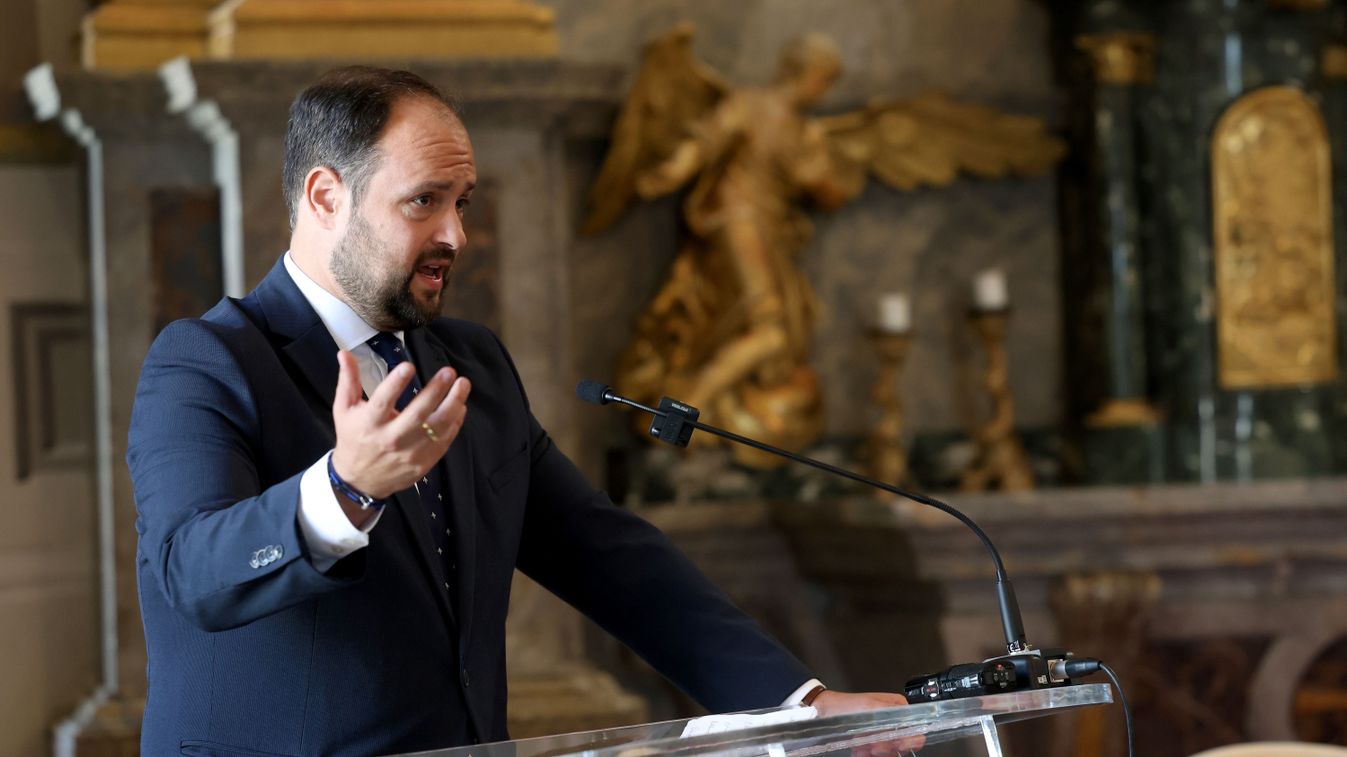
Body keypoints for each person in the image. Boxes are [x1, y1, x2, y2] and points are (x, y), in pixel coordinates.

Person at [127, 66, 907, 757]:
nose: (456, 235)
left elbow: (607, 556)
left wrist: (798, 702)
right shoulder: (205, 361)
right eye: (424, 202)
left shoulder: (473, 365)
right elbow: (191, 573)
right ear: (326, 196)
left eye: (462, 202)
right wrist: (343, 488)